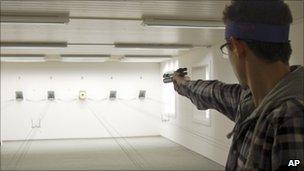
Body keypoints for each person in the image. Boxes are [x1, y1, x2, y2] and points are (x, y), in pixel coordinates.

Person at [172, 0, 303, 170]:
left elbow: (295, 163)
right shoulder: (252, 101)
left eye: (227, 47)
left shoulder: (291, 116)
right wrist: (182, 83)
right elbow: (213, 92)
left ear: (237, 47)